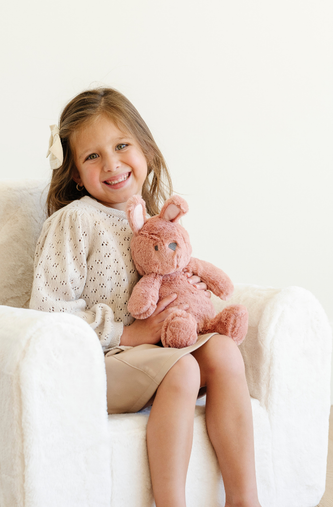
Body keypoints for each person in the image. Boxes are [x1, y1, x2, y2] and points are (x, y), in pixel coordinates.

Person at [29, 87, 261, 507]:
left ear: (146, 152)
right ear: (76, 173)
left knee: (225, 350)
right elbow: (47, 314)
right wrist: (129, 333)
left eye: (121, 146)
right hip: (101, 362)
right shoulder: (74, 221)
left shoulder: (153, 223)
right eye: (92, 156)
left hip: (156, 354)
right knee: (184, 373)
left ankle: (245, 501)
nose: (112, 163)